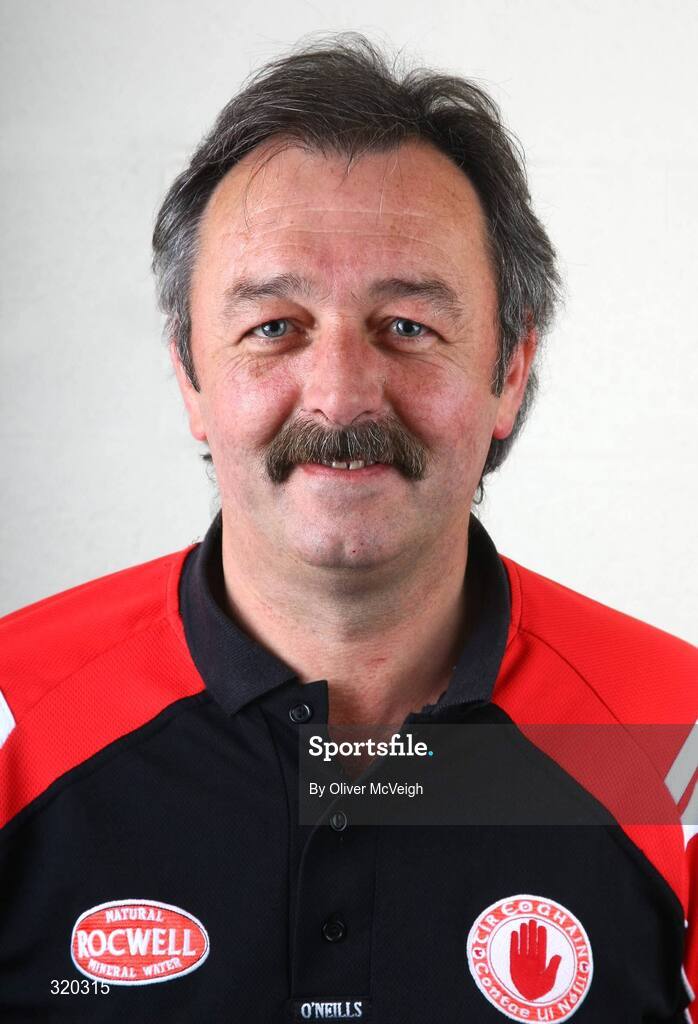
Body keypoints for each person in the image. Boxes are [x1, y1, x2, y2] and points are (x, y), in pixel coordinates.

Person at [0, 34, 695, 1023]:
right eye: (272, 327)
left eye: (408, 327)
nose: (338, 395)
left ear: (508, 373)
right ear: (191, 377)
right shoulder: (14, 718)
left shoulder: (679, 745)